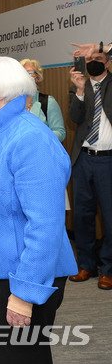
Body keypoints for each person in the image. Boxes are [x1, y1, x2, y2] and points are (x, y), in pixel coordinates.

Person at [0, 57, 77, 363]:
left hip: (19, 278)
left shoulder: (31, 139)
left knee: (16, 356)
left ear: (1, 92)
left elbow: (45, 225)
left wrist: (25, 295)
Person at [68, 49, 112, 290]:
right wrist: (80, 90)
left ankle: (108, 268)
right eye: (90, 60)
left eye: (99, 59)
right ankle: (86, 265)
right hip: (84, 159)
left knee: (110, 216)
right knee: (82, 216)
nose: (94, 63)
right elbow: (74, 117)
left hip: (108, 160)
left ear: (108, 62)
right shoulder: (78, 86)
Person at [19, 58, 66, 142]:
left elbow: (60, 132)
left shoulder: (48, 101)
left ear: (37, 77)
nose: (26, 76)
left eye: (30, 73)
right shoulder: (11, 102)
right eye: (22, 73)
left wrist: (40, 139)